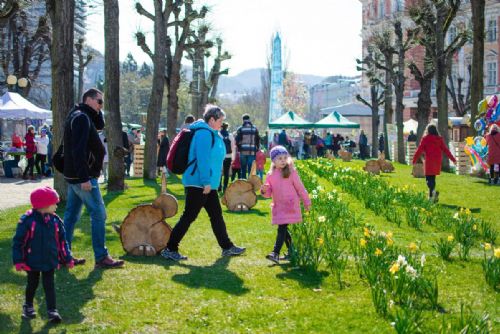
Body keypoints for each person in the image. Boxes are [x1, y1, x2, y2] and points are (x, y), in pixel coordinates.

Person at [161, 105, 246, 261]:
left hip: (207, 184)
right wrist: (206, 182)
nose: (222, 123)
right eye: (220, 120)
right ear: (212, 119)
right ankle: (170, 248)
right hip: (199, 183)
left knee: (216, 215)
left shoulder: (210, 132)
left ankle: (227, 247)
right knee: (189, 216)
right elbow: (202, 159)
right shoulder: (204, 134)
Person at [62, 88, 124, 269]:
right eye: (99, 101)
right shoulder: (81, 117)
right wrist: (84, 178)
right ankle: (101, 256)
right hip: (83, 177)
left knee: (71, 216)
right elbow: (78, 150)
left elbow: (99, 125)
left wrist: (99, 111)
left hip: (75, 176)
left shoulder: (80, 114)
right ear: (88, 100)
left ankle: (64, 255)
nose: (101, 105)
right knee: (98, 214)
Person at [12, 186, 73, 323]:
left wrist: (67, 258)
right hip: (31, 260)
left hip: (50, 260)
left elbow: (62, 242)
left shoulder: (55, 221)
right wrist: (19, 261)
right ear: (44, 205)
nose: (56, 205)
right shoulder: (28, 221)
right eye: (54, 203)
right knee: (32, 283)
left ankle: (52, 310)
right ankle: (28, 306)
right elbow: (18, 242)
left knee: (49, 285)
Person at [261, 146, 311, 263]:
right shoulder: (270, 174)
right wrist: (264, 190)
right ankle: (292, 252)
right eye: (280, 158)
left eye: (285, 158)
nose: (283, 160)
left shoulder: (291, 172)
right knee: (283, 229)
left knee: (282, 227)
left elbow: (300, 188)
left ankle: (275, 252)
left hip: (290, 205)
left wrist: (306, 201)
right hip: (279, 206)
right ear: (273, 160)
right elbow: (268, 194)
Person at [412, 124, 456, 202]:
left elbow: (419, 150)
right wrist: (453, 159)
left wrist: (414, 160)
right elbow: (446, 150)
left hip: (429, 161)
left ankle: (433, 193)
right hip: (437, 162)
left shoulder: (425, 139)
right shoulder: (439, 139)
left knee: (428, 179)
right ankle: (431, 197)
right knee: (433, 178)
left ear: (428, 131)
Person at [235, 114, 260, 179]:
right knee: (250, 169)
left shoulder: (240, 128)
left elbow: (237, 140)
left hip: (243, 151)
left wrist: (239, 148)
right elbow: (257, 139)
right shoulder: (254, 128)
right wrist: (257, 147)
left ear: (243, 120)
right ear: (249, 119)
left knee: (243, 169)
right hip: (252, 151)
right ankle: (250, 184)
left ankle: (244, 183)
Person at [219, 122, 234, 192]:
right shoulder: (230, 135)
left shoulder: (218, 135)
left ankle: (219, 186)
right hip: (228, 156)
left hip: (219, 156)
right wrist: (233, 157)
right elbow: (233, 147)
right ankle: (225, 187)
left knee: (219, 172)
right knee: (226, 172)